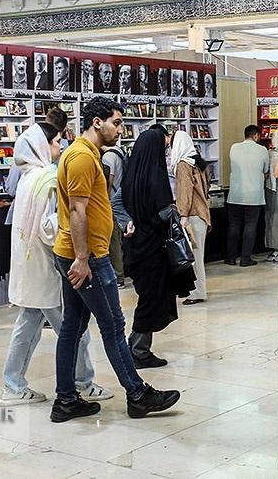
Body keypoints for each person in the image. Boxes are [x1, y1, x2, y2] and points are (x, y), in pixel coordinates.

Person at [51, 96, 179, 422]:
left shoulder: (85, 154)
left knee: (72, 326)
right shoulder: (81, 156)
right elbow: (77, 210)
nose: (121, 130)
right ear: (98, 122)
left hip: (81, 254)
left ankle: (65, 400)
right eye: (117, 123)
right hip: (88, 258)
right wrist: (83, 258)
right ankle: (137, 394)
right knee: (113, 326)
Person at [0, 121, 112, 405]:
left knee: (28, 326)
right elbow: (49, 227)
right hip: (48, 267)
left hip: (30, 266)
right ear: (41, 145)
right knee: (74, 329)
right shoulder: (47, 179)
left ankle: (13, 385)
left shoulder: (27, 178)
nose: (60, 146)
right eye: (55, 141)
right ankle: (82, 382)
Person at [122, 128, 196, 368]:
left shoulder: (130, 176)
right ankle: (139, 350)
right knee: (152, 300)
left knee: (147, 296)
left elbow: (120, 205)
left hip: (135, 246)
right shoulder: (157, 177)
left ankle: (136, 345)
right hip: (154, 249)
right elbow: (163, 213)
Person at [170, 131, 211, 304]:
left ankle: (197, 292)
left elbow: (184, 192)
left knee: (193, 257)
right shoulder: (198, 162)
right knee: (198, 255)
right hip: (202, 214)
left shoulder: (183, 165)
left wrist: (183, 215)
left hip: (192, 215)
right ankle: (198, 290)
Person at [225, 125, 269, 267]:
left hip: (235, 194)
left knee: (234, 226)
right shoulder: (262, 150)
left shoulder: (234, 148)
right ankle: (245, 258)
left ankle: (231, 257)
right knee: (250, 226)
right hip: (254, 195)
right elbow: (266, 170)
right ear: (256, 135)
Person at [101, 140, 129, 288]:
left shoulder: (107, 157)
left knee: (113, 241)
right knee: (119, 239)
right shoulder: (120, 152)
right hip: (121, 199)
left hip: (111, 202)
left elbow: (108, 181)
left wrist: (104, 203)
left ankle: (118, 276)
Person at [264, 129, 278, 262]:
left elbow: (274, 173)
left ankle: (276, 248)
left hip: (272, 190)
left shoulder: (270, 154)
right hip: (277, 190)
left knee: (273, 218)